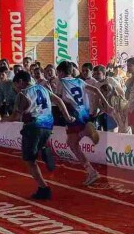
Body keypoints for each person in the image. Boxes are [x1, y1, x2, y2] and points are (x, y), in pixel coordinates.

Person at [9, 69, 72, 200]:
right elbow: (59, 101)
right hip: (48, 126)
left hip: (33, 127)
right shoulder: (43, 89)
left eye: (15, 85)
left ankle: (44, 188)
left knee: (29, 160)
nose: (15, 88)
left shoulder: (23, 94)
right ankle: (43, 148)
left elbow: (16, 116)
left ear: (20, 81)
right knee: (36, 145)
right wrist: (67, 117)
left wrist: (5, 119)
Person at [54, 61, 105, 186]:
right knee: (72, 143)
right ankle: (91, 171)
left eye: (58, 72)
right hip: (84, 112)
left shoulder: (61, 82)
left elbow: (58, 100)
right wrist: (107, 105)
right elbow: (96, 90)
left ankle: (85, 132)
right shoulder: (79, 81)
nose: (57, 75)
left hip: (72, 114)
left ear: (61, 72)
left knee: (72, 143)